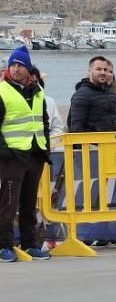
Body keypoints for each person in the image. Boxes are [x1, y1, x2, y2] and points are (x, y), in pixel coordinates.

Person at [0, 46, 52, 262]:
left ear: (29, 69)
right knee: (8, 204)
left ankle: (30, 244)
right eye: (13, 64)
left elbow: (43, 122)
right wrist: (5, 152)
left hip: (34, 154)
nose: (15, 68)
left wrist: (45, 147)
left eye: (20, 65)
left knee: (29, 204)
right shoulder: (3, 91)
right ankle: (4, 246)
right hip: (13, 156)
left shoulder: (37, 92)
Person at [68, 56, 116, 132]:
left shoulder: (112, 94)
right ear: (90, 71)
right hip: (93, 142)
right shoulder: (81, 95)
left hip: (113, 142)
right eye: (98, 69)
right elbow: (76, 128)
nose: (103, 72)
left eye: (105, 70)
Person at [29, 66, 63, 136]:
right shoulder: (15, 101)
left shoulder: (50, 102)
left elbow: (57, 128)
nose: (32, 85)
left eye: (35, 82)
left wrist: (49, 143)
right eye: (29, 82)